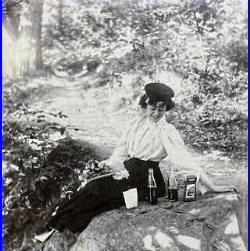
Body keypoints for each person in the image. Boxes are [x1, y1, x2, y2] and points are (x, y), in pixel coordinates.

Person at [44, 82, 236, 234]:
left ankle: (58, 225)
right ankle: (55, 225)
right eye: (152, 108)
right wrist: (108, 165)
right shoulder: (134, 124)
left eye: (161, 109)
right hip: (128, 169)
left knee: (97, 189)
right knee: (91, 184)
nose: (156, 113)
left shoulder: (166, 131)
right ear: (145, 105)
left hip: (147, 178)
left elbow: (184, 160)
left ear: (166, 109)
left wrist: (212, 186)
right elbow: (120, 152)